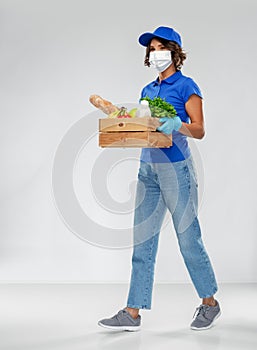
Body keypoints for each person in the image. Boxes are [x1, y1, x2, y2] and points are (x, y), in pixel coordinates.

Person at [98, 26, 221, 332]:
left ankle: (210, 304)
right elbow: (144, 129)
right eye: (151, 49)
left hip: (176, 170)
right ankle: (132, 311)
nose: (155, 53)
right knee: (143, 241)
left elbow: (200, 130)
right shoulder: (147, 90)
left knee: (188, 239)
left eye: (160, 47)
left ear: (174, 51)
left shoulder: (186, 86)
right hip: (147, 168)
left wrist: (178, 124)